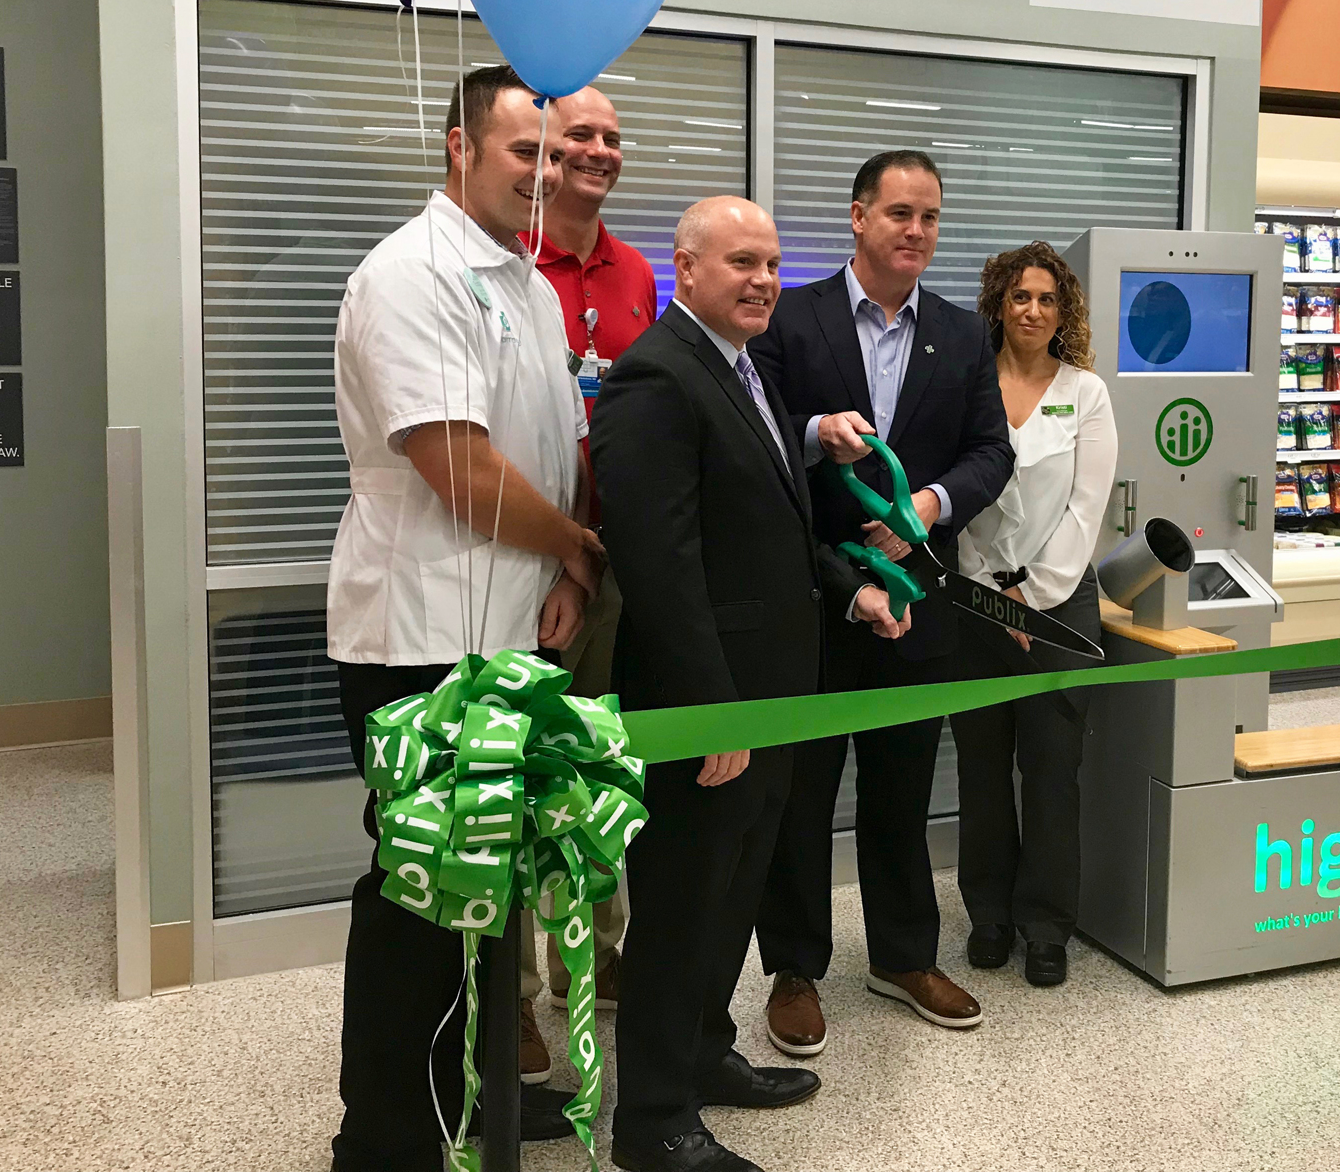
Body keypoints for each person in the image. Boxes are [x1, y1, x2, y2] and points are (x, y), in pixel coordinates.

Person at [589, 196, 911, 1172]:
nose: (763, 280)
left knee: (730, 901)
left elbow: (773, 530)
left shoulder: (743, 373)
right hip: (711, 708)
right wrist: (709, 707)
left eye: (770, 264)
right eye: (740, 263)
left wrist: (850, 593)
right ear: (684, 269)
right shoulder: (655, 376)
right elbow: (658, 564)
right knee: (681, 908)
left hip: (776, 697)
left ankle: (703, 1054)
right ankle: (651, 1122)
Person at [326, 64, 601, 1170]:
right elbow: (459, 466)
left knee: (492, 889)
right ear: (457, 148)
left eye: (553, 153)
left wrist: (569, 577)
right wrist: (577, 548)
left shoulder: (526, 284)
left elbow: (548, 452)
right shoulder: (412, 273)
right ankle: (387, 1137)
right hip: (420, 640)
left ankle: (476, 1096)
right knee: (418, 894)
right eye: (521, 151)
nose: (543, 173)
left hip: (512, 632)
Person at [750, 150, 1014, 1054]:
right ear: (858, 217)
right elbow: (753, 441)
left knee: (902, 793)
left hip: (917, 604)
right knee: (801, 796)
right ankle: (793, 967)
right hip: (814, 604)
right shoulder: (791, 318)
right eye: (900, 213)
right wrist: (814, 434)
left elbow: (992, 452)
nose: (916, 231)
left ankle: (902, 956)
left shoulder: (961, 333)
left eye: (931, 216)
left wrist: (929, 509)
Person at [515, 82, 658, 1078]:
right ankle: (517, 996)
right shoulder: (502, 265)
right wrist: (555, 547)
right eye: (579, 137)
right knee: (517, 786)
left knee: (595, 775)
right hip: (509, 566)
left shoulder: (638, 271)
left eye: (610, 137)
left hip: (611, 566)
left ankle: (594, 960)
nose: (598, 152)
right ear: (538, 152)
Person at [950, 242, 1117, 987]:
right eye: (1020, 296)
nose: (1033, 311)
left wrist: (1033, 593)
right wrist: (990, 588)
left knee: (1052, 770)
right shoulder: (967, 382)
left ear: (1063, 311)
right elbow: (951, 495)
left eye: (1047, 299)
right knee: (982, 766)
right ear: (998, 303)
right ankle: (988, 914)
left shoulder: (1086, 393)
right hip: (974, 597)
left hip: (1060, 605)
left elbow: (1086, 512)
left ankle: (1046, 924)